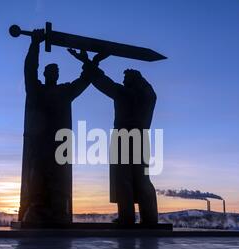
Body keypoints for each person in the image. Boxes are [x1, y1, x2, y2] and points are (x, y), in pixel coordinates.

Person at [69, 53, 159, 226]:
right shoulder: (147, 96)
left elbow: (102, 81)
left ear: (132, 81)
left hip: (123, 137)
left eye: (126, 78)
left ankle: (127, 218)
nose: (123, 81)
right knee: (142, 177)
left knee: (123, 178)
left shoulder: (123, 93)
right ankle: (150, 217)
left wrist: (88, 62)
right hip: (141, 137)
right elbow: (150, 92)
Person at [20, 30, 95, 225]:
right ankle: (37, 210)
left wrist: (87, 60)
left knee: (58, 181)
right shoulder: (37, 91)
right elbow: (29, 70)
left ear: (58, 75)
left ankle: (57, 211)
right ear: (45, 74)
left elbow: (85, 79)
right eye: (50, 72)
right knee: (38, 178)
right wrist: (34, 44)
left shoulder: (65, 91)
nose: (53, 74)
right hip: (41, 145)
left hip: (59, 146)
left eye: (56, 72)